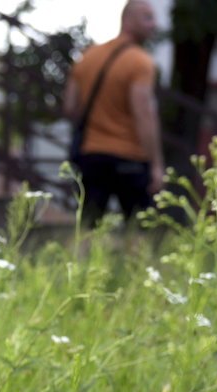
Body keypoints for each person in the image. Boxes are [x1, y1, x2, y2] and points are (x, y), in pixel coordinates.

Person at [63, 1, 163, 227]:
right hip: (130, 156)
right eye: (147, 18)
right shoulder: (140, 61)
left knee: (87, 227)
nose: (154, 25)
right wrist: (156, 164)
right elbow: (144, 114)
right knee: (139, 230)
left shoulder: (88, 57)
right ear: (128, 20)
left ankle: (78, 264)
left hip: (92, 155)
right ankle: (136, 264)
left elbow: (70, 107)